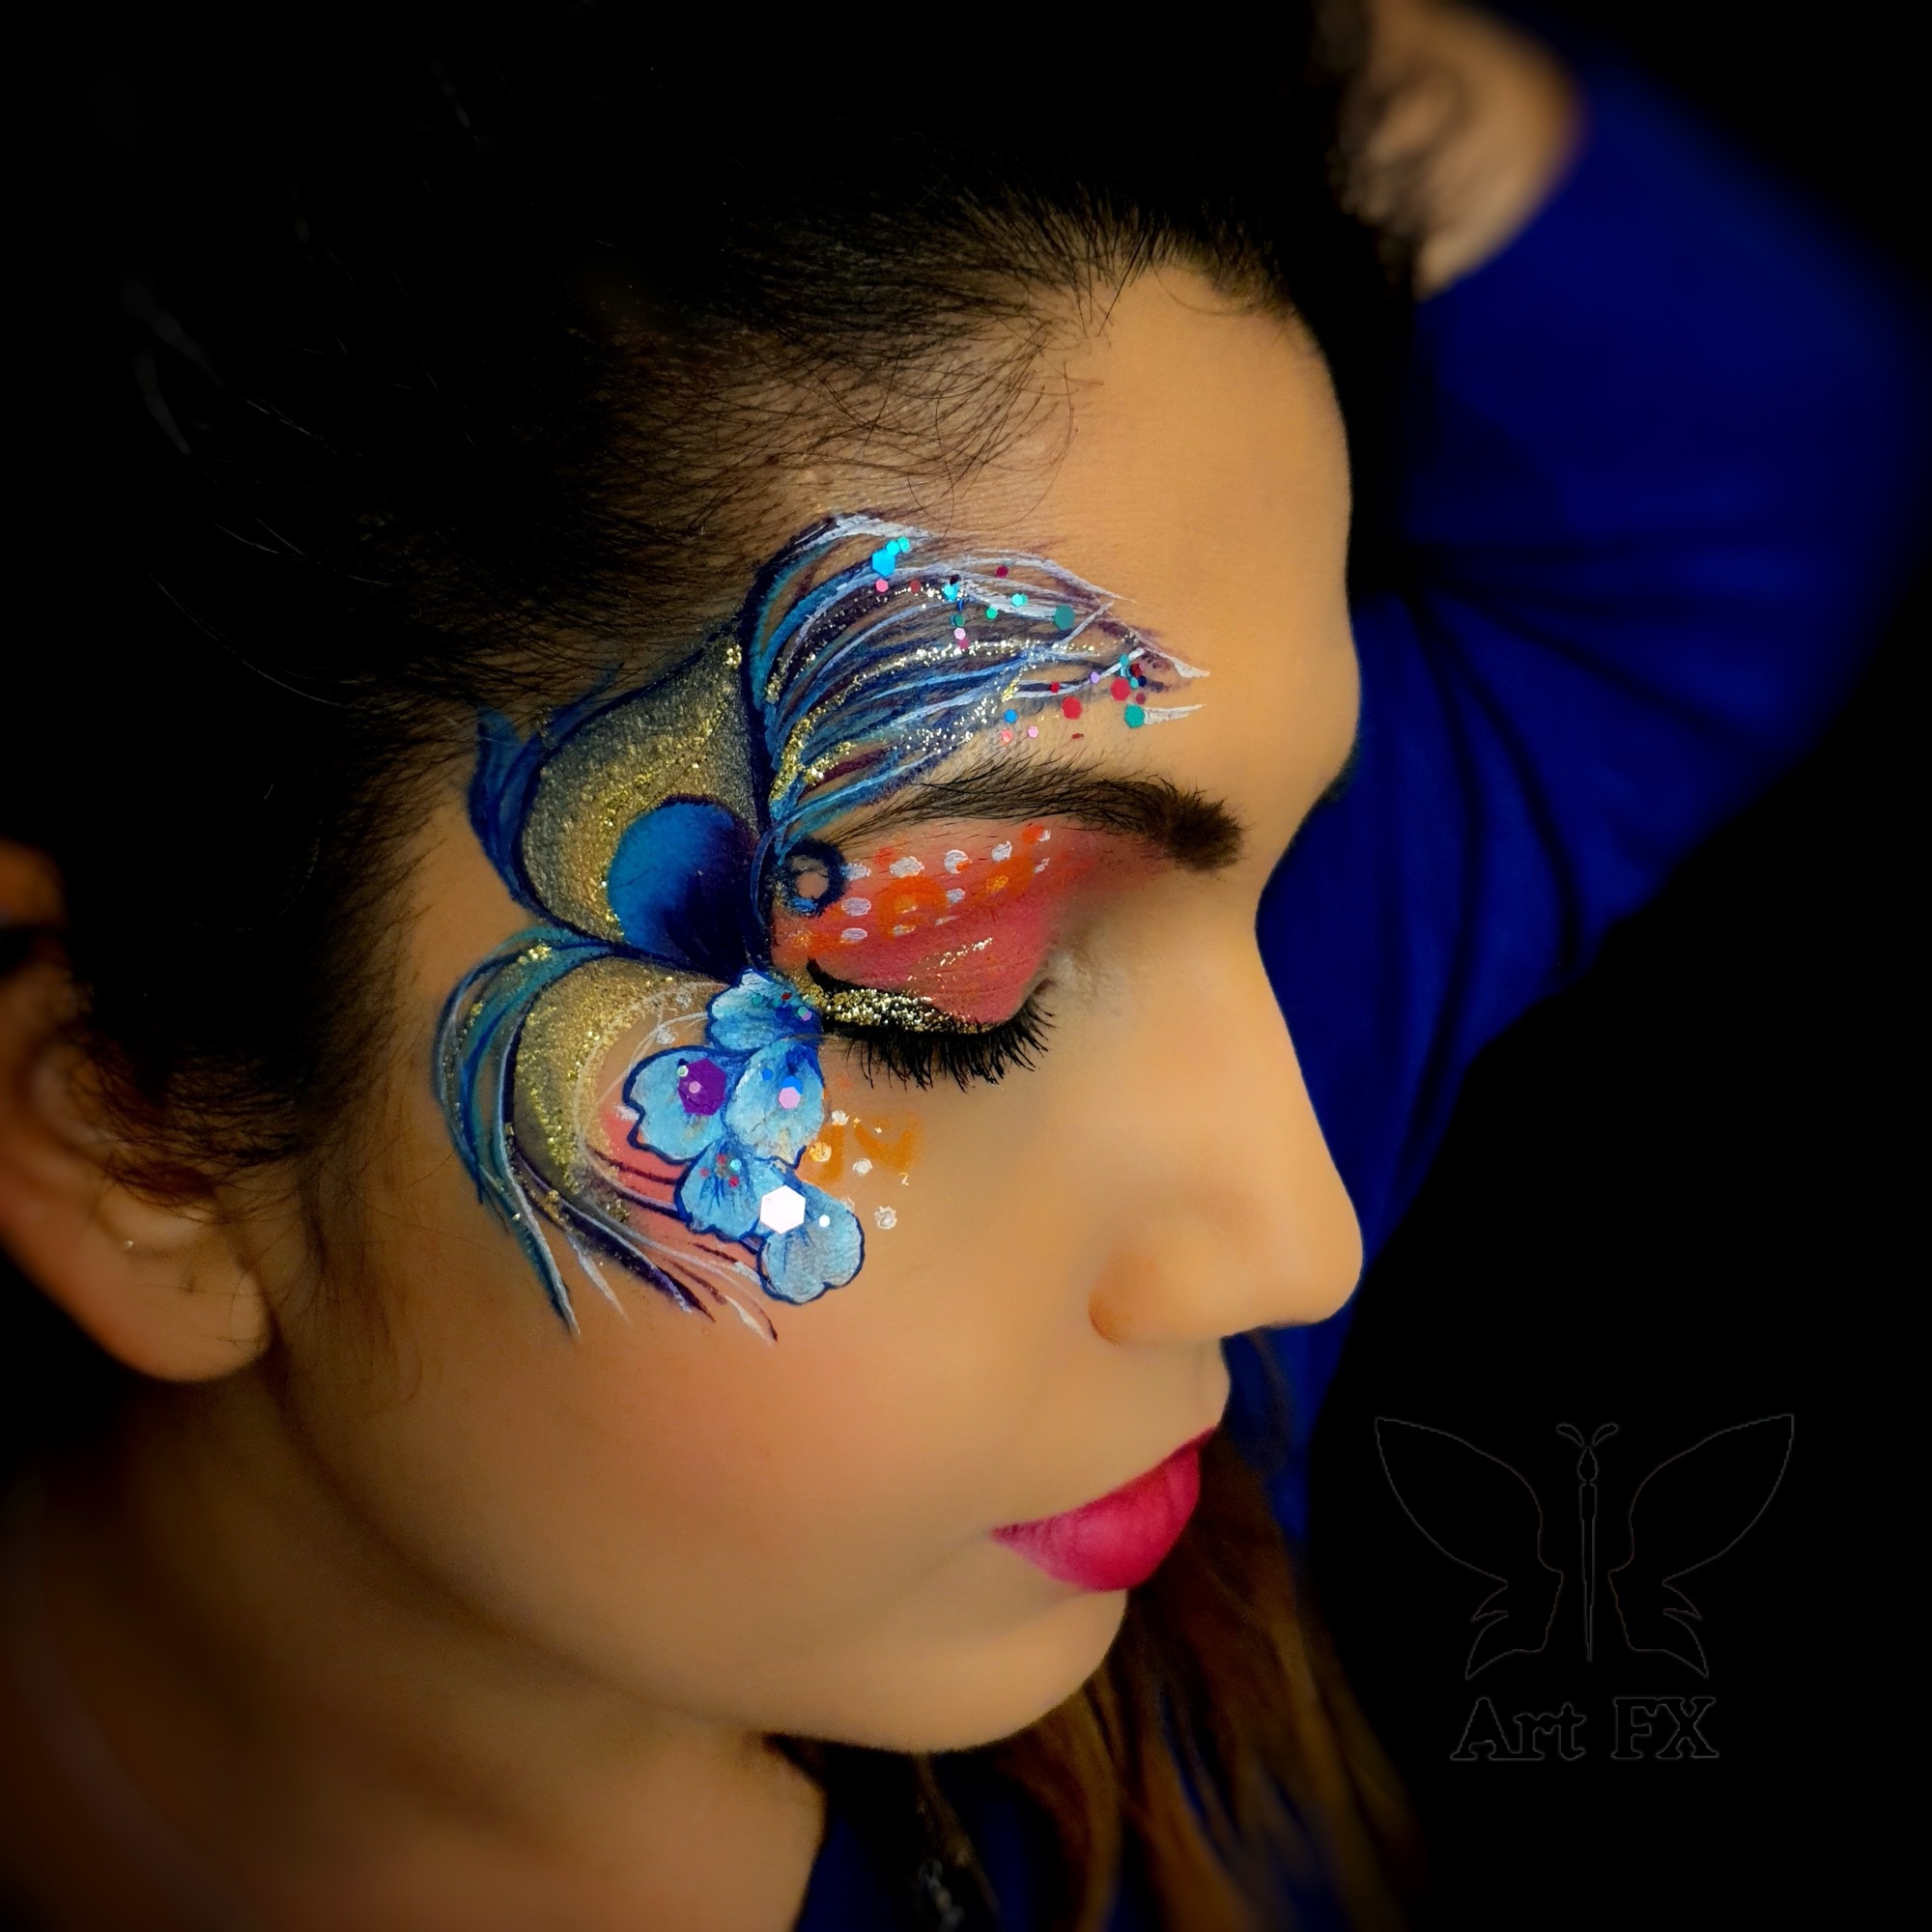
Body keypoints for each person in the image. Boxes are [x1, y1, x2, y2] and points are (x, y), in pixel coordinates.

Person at [0, 3, 1921, 1927]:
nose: (1296, 1242)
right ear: (127, 1127)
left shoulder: (1148, 1348)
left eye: (1285, 859)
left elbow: (1753, 457)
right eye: (958, 987)